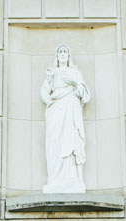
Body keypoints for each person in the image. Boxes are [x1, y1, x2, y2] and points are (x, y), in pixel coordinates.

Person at [40, 44, 90, 194]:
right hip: (56, 110)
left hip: (71, 110)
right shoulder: (52, 72)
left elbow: (85, 95)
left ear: (68, 56)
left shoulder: (75, 72)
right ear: (57, 55)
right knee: (55, 141)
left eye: (65, 52)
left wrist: (75, 83)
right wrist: (49, 78)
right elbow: (45, 93)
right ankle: (55, 179)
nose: (62, 54)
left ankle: (71, 179)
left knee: (70, 141)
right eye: (60, 52)